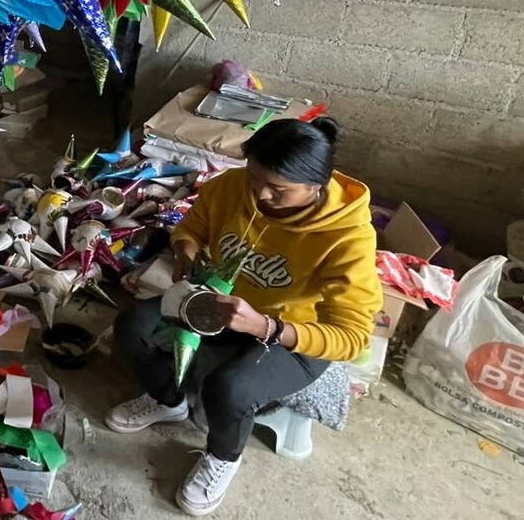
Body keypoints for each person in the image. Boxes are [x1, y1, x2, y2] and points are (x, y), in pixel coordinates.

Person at [107, 117, 382, 516]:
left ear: (314, 187)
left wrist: (266, 326)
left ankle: (223, 456)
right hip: (222, 303)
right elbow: (193, 225)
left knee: (229, 388)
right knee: (133, 327)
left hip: (292, 333)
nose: (260, 195)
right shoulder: (235, 186)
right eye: (255, 178)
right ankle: (168, 400)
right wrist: (186, 251)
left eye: (279, 190)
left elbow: (353, 336)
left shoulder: (347, 238)